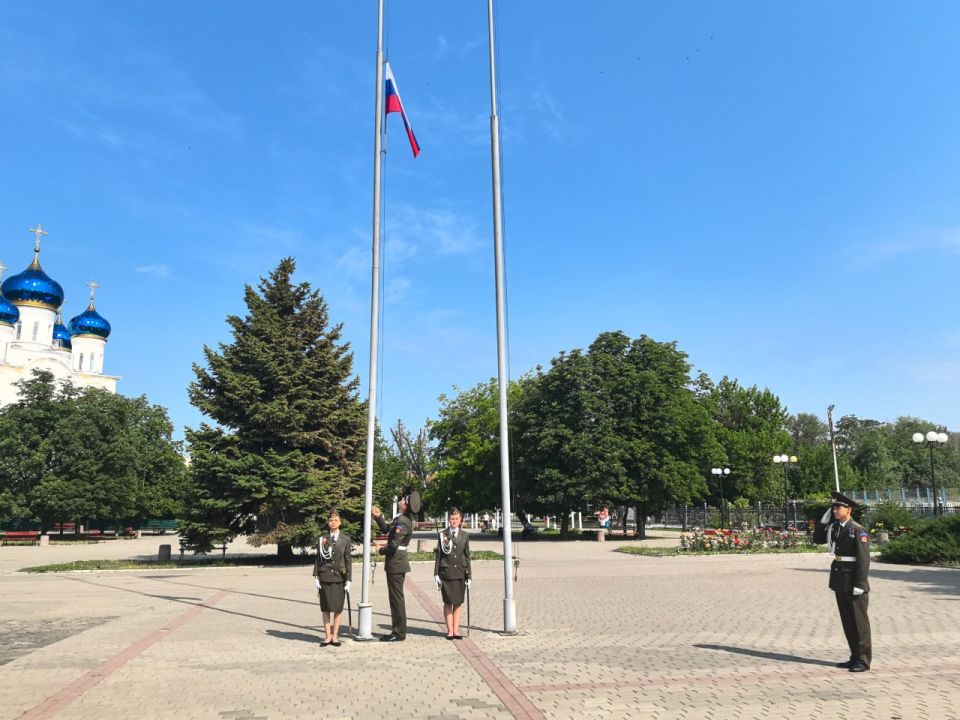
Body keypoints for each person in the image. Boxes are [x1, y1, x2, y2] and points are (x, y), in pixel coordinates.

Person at [812, 491, 872, 672]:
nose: (835, 510)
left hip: (854, 581)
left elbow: (863, 560)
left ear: (849, 510)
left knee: (859, 623)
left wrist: (860, 584)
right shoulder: (836, 527)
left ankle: (863, 660)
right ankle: (854, 656)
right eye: (834, 507)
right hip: (840, 580)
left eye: (838, 507)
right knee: (848, 622)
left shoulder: (857, 530)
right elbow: (817, 540)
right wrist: (822, 523)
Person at [372, 491, 419, 641]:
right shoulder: (400, 518)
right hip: (396, 562)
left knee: (396, 599)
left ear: (405, 506)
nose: (401, 499)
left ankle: (398, 632)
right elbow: (386, 529)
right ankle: (397, 630)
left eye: (404, 499)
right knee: (395, 598)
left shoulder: (403, 521)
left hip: (396, 563)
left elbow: (393, 546)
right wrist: (378, 517)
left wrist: (380, 549)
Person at [312, 510, 352, 647]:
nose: (333, 522)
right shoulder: (323, 539)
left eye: (335, 520)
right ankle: (327, 636)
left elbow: (348, 560)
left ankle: (335, 636)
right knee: (325, 608)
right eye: (330, 520)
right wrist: (316, 576)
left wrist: (349, 579)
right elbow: (318, 558)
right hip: (325, 576)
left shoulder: (345, 539)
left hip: (339, 578)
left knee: (338, 608)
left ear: (340, 522)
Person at [434, 505, 472, 640]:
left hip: (460, 573)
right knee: (447, 602)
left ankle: (456, 630)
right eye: (452, 518)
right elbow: (438, 555)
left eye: (456, 518)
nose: (454, 521)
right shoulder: (443, 534)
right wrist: (436, 574)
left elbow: (467, 556)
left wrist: (469, 575)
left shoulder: (465, 535)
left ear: (460, 519)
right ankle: (449, 630)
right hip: (446, 573)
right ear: (448, 520)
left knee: (458, 602)